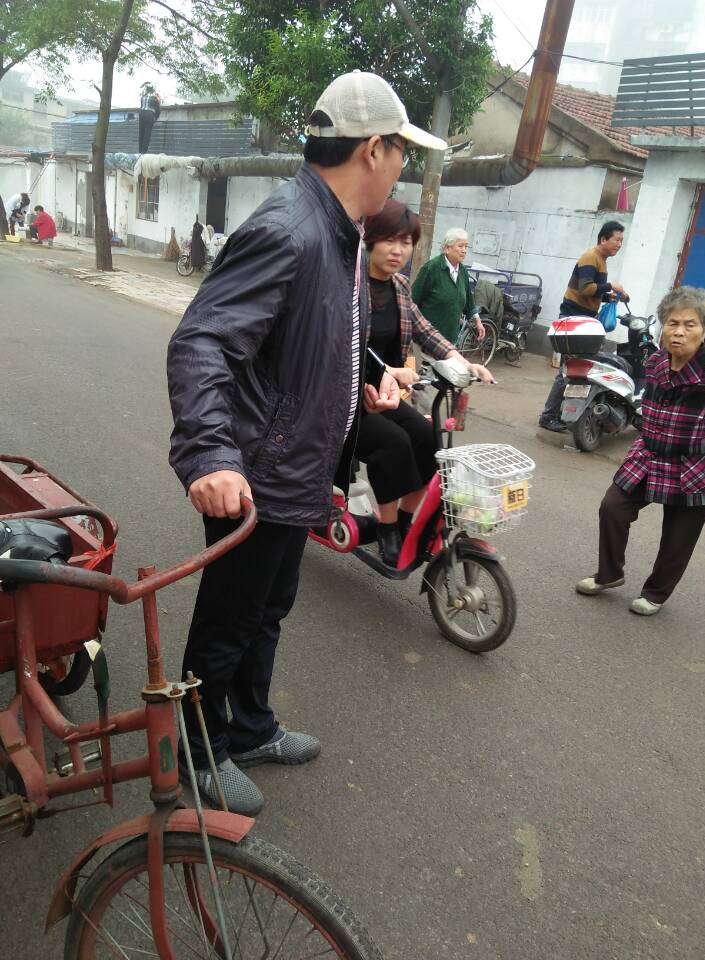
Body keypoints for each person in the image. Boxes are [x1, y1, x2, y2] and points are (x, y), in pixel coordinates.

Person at [167, 71, 446, 815]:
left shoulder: (341, 234)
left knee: (268, 609)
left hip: (299, 469)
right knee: (228, 621)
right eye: (401, 152)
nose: (402, 168)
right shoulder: (289, 228)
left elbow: (312, 343)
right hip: (256, 476)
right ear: (374, 150)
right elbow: (202, 343)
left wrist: (365, 388)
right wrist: (212, 456)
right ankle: (195, 752)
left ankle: (250, 727)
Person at [356, 200, 494, 565]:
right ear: (371, 239)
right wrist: (388, 370)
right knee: (394, 442)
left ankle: (404, 522)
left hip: (385, 394)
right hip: (345, 399)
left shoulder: (400, 286)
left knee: (428, 438)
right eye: (389, 240)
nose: (397, 250)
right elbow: (344, 343)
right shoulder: (348, 286)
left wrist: (463, 361)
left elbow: (426, 331)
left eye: (406, 242)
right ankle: (386, 528)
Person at [575, 286, 705, 616]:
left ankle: (655, 593)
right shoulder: (655, 362)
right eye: (672, 323)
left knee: (677, 539)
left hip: (698, 467)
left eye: (689, 324)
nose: (678, 332)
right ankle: (609, 574)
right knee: (613, 507)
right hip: (650, 455)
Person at [539, 220, 628, 432]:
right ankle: (548, 416)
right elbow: (585, 288)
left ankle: (563, 413)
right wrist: (611, 286)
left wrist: (607, 296)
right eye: (616, 240)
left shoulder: (601, 260)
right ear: (603, 239)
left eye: (621, 241)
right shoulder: (591, 257)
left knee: (580, 369)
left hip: (584, 320)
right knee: (569, 370)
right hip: (574, 320)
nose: (619, 244)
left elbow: (591, 292)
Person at [411, 228, 486, 344]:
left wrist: (478, 321)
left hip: (450, 339)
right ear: (447, 248)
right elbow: (412, 300)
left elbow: (469, 302)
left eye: (466, 246)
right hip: (427, 339)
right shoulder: (431, 268)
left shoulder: (462, 271)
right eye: (460, 246)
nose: (464, 250)